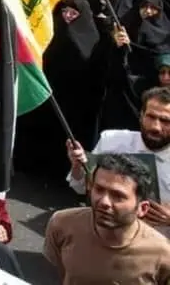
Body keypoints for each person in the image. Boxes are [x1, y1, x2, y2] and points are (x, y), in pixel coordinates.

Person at [45, 152, 170, 284]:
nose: (104, 201)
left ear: (142, 208)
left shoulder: (163, 254)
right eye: (99, 189)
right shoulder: (62, 224)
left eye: (117, 196)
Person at [66, 86, 170, 234]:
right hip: (105, 236)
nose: (156, 127)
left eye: (165, 121)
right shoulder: (112, 141)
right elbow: (80, 186)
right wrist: (77, 166)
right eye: (151, 117)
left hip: (158, 247)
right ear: (141, 115)